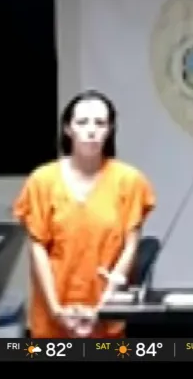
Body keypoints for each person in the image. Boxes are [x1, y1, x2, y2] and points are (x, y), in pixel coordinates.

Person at [13, 90, 156, 339]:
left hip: (105, 313)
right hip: (52, 315)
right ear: (68, 129)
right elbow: (37, 251)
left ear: (110, 129)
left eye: (99, 123)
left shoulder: (129, 181)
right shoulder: (42, 181)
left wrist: (104, 308)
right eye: (82, 122)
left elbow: (130, 247)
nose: (91, 130)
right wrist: (57, 311)